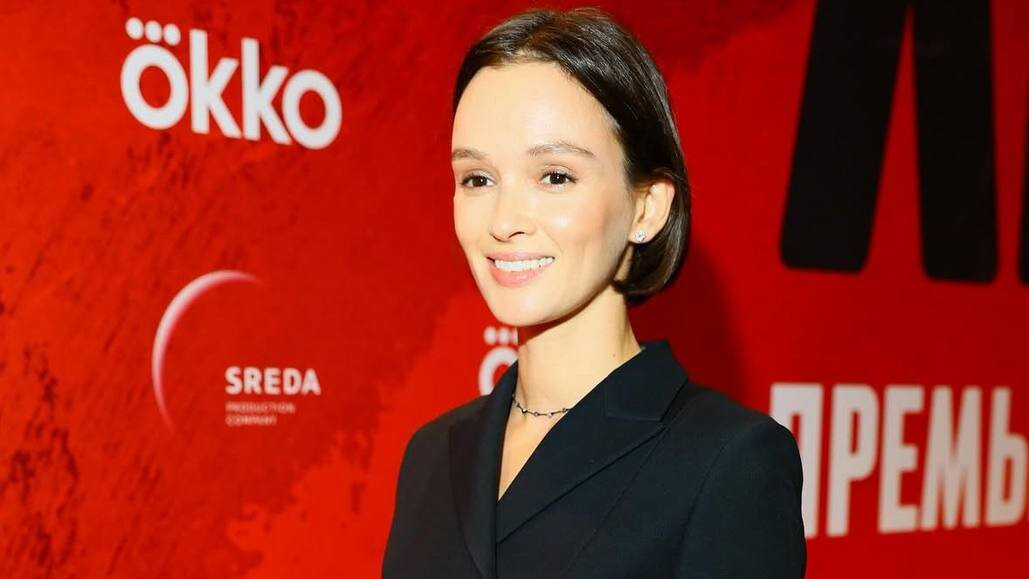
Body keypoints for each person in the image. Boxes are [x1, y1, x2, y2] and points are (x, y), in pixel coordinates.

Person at [383, 6, 805, 579]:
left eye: (555, 176)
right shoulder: (431, 455)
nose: (503, 221)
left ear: (647, 207)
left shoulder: (729, 462)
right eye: (477, 179)